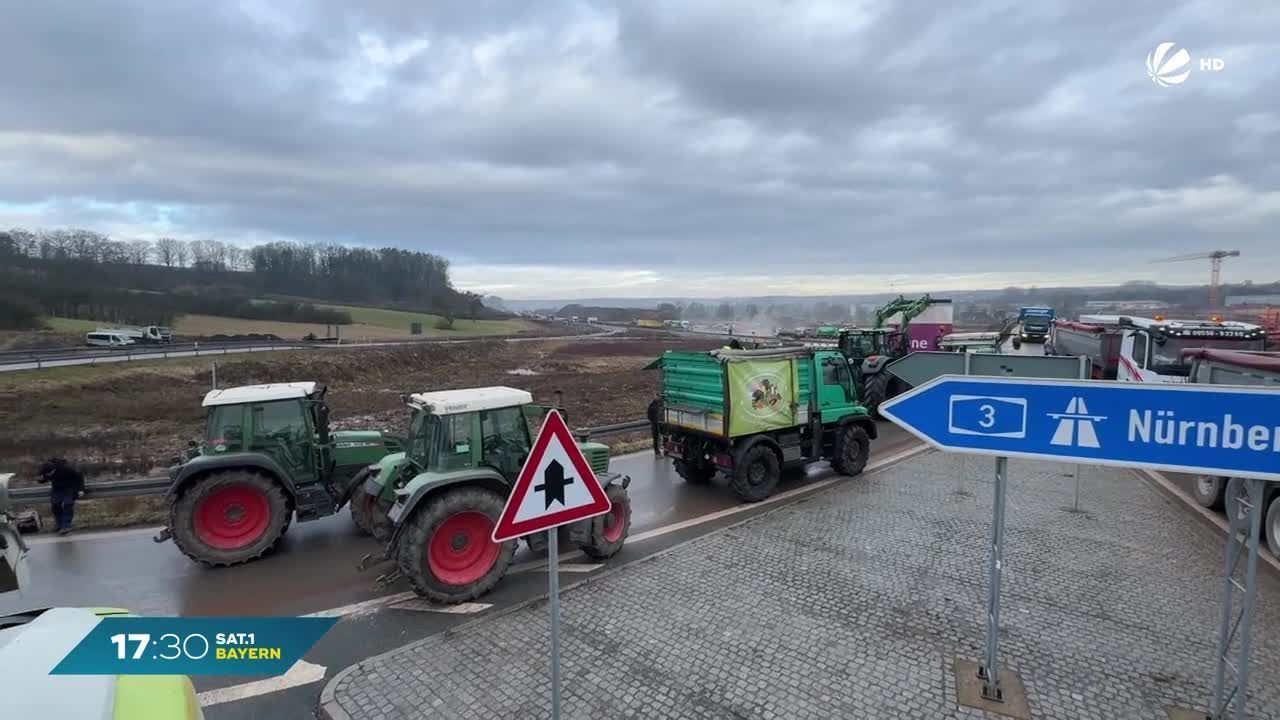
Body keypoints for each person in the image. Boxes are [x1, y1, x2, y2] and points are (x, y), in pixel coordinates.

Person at [37, 457, 84, 535]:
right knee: (55, 505)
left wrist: (81, 489)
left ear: (53, 470)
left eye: (49, 474)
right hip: (57, 488)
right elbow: (44, 478)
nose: (48, 475)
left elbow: (79, 477)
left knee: (67, 504)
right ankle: (59, 525)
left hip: (70, 487)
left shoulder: (66, 469)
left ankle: (66, 526)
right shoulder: (46, 470)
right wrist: (41, 480)